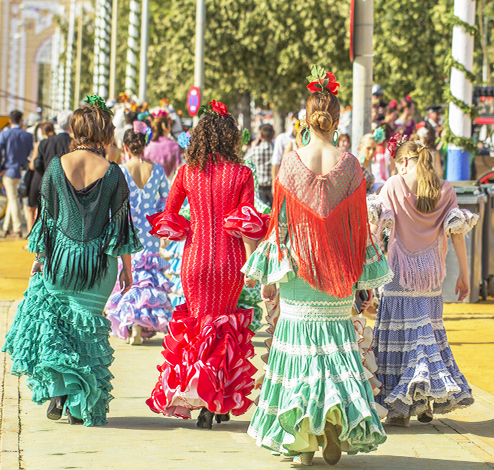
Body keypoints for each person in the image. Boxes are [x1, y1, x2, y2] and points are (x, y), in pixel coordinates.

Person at [243, 67, 391, 466]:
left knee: (299, 359)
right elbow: (360, 227)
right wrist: (361, 278)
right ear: (338, 120)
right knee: (336, 354)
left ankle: (302, 442)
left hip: (297, 274)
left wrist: (271, 279)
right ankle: (333, 427)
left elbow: (281, 226)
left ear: (306, 120)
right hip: (339, 274)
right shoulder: (352, 165)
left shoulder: (290, 165)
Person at [2, 97, 142, 427]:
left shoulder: (55, 166)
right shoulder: (113, 173)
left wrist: (39, 259)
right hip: (98, 266)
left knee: (58, 329)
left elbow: (47, 220)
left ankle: (60, 391)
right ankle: (80, 406)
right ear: (104, 133)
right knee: (86, 335)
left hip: (60, 261)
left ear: (75, 130)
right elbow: (121, 224)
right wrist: (128, 270)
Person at [146, 99, 269, 429]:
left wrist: (188, 225)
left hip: (195, 258)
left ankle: (198, 398)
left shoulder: (187, 173)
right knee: (224, 330)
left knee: (199, 328)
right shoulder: (243, 173)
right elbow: (246, 224)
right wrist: (257, 265)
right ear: (231, 139)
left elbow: (170, 215)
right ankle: (218, 402)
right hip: (229, 262)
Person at [370, 137, 478, 428]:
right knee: (425, 335)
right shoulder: (445, 189)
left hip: (399, 274)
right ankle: (423, 399)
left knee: (400, 340)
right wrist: (465, 276)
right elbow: (457, 235)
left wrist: (365, 271)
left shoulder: (393, 185)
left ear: (404, 162)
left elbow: (374, 228)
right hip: (431, 275)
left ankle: (399, 408)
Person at [106, 124, 172, 345]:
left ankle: (132, 323)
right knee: (147, 276)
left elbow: (115, 204)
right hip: (151, 230)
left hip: (128, 230)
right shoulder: (159, 170)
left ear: (125, 146)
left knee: (129, 272)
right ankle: (142, 324)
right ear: (145, 145)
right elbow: (166, 200)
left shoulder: (121, 170)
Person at [0, 110, 34, 238]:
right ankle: (6, 228)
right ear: (21, 121)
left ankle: (16, 229)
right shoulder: (28, 135)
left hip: (9, 171)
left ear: (10, 121)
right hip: (23, 171)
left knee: (13, 199)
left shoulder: (5, 134)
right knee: (14, 199)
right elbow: (30, 153)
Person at [25, 122, 55, 234]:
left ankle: (31, 238)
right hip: (53, 181)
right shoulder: (57, 142)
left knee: (30, 208)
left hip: (39, 178)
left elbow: (33, 165)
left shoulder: (40, 144)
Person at [143, 109, 181, 179]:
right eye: (169, 126)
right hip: (170, 183)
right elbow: (179, 169)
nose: (170, 128)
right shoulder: (174, 146)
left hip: (152, 184)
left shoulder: (148, 146)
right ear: (165, 128)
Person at [244, 123, 275, 206]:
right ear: (273, 135)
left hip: (259, 186)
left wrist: (252, 146)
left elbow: (244, 162)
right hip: (274, 185)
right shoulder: (277, 150)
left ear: (260, 136)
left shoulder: (255, 150)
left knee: (262, 213)